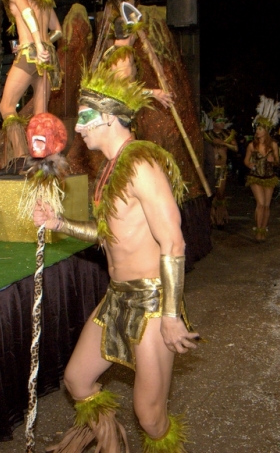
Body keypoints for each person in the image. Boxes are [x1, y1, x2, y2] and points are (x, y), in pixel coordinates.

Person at [34, 67, 198, 453]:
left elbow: (173, 241)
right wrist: (59, 223)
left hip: (154, 304)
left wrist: (172, 316)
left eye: (85, 117)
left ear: (109, 116)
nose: (77, 129)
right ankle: (111, 446)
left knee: (151, 416)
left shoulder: (142, 164)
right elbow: (113, 235)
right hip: (117, 297)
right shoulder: (112, 167)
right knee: (77, 380)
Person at [0, 0, 62, 174]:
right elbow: (58, 31)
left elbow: (26, 12)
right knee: (40, 114)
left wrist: (33, 43)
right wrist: (44, 44)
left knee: (6, 106)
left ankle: (21, 157)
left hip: (30, 53)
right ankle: (43, 161)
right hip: (46, 56)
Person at [100, 17, 173, 108]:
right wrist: (154, 93)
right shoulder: (124, 56)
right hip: (118, 113)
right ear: (132, 33)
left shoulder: (111, 51)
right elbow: (125, 89)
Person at [244, 96, 280, 241]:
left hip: (269, 177)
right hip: (255, 177)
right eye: (257, 129)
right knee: (260, 204)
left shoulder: (273, 145)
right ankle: (258, 230)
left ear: (266, 130)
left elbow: (278, 162)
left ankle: (263, 230)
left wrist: (273, 161)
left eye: (260, 129)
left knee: (266, 205)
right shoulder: (251, 145)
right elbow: (246, 161)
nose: (257, 131)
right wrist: (250, 165)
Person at [204, 106, 236, 226]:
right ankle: (211, 217)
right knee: (210, 194)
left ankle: (221, 217)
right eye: (219, 121)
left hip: (222, 168)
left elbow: (235, 148)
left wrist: (223, 143)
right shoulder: (207, 135)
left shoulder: (228, 134)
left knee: (220, 194)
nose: (222, 123)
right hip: (210, 168)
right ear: (213, 122)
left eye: (223, 121)